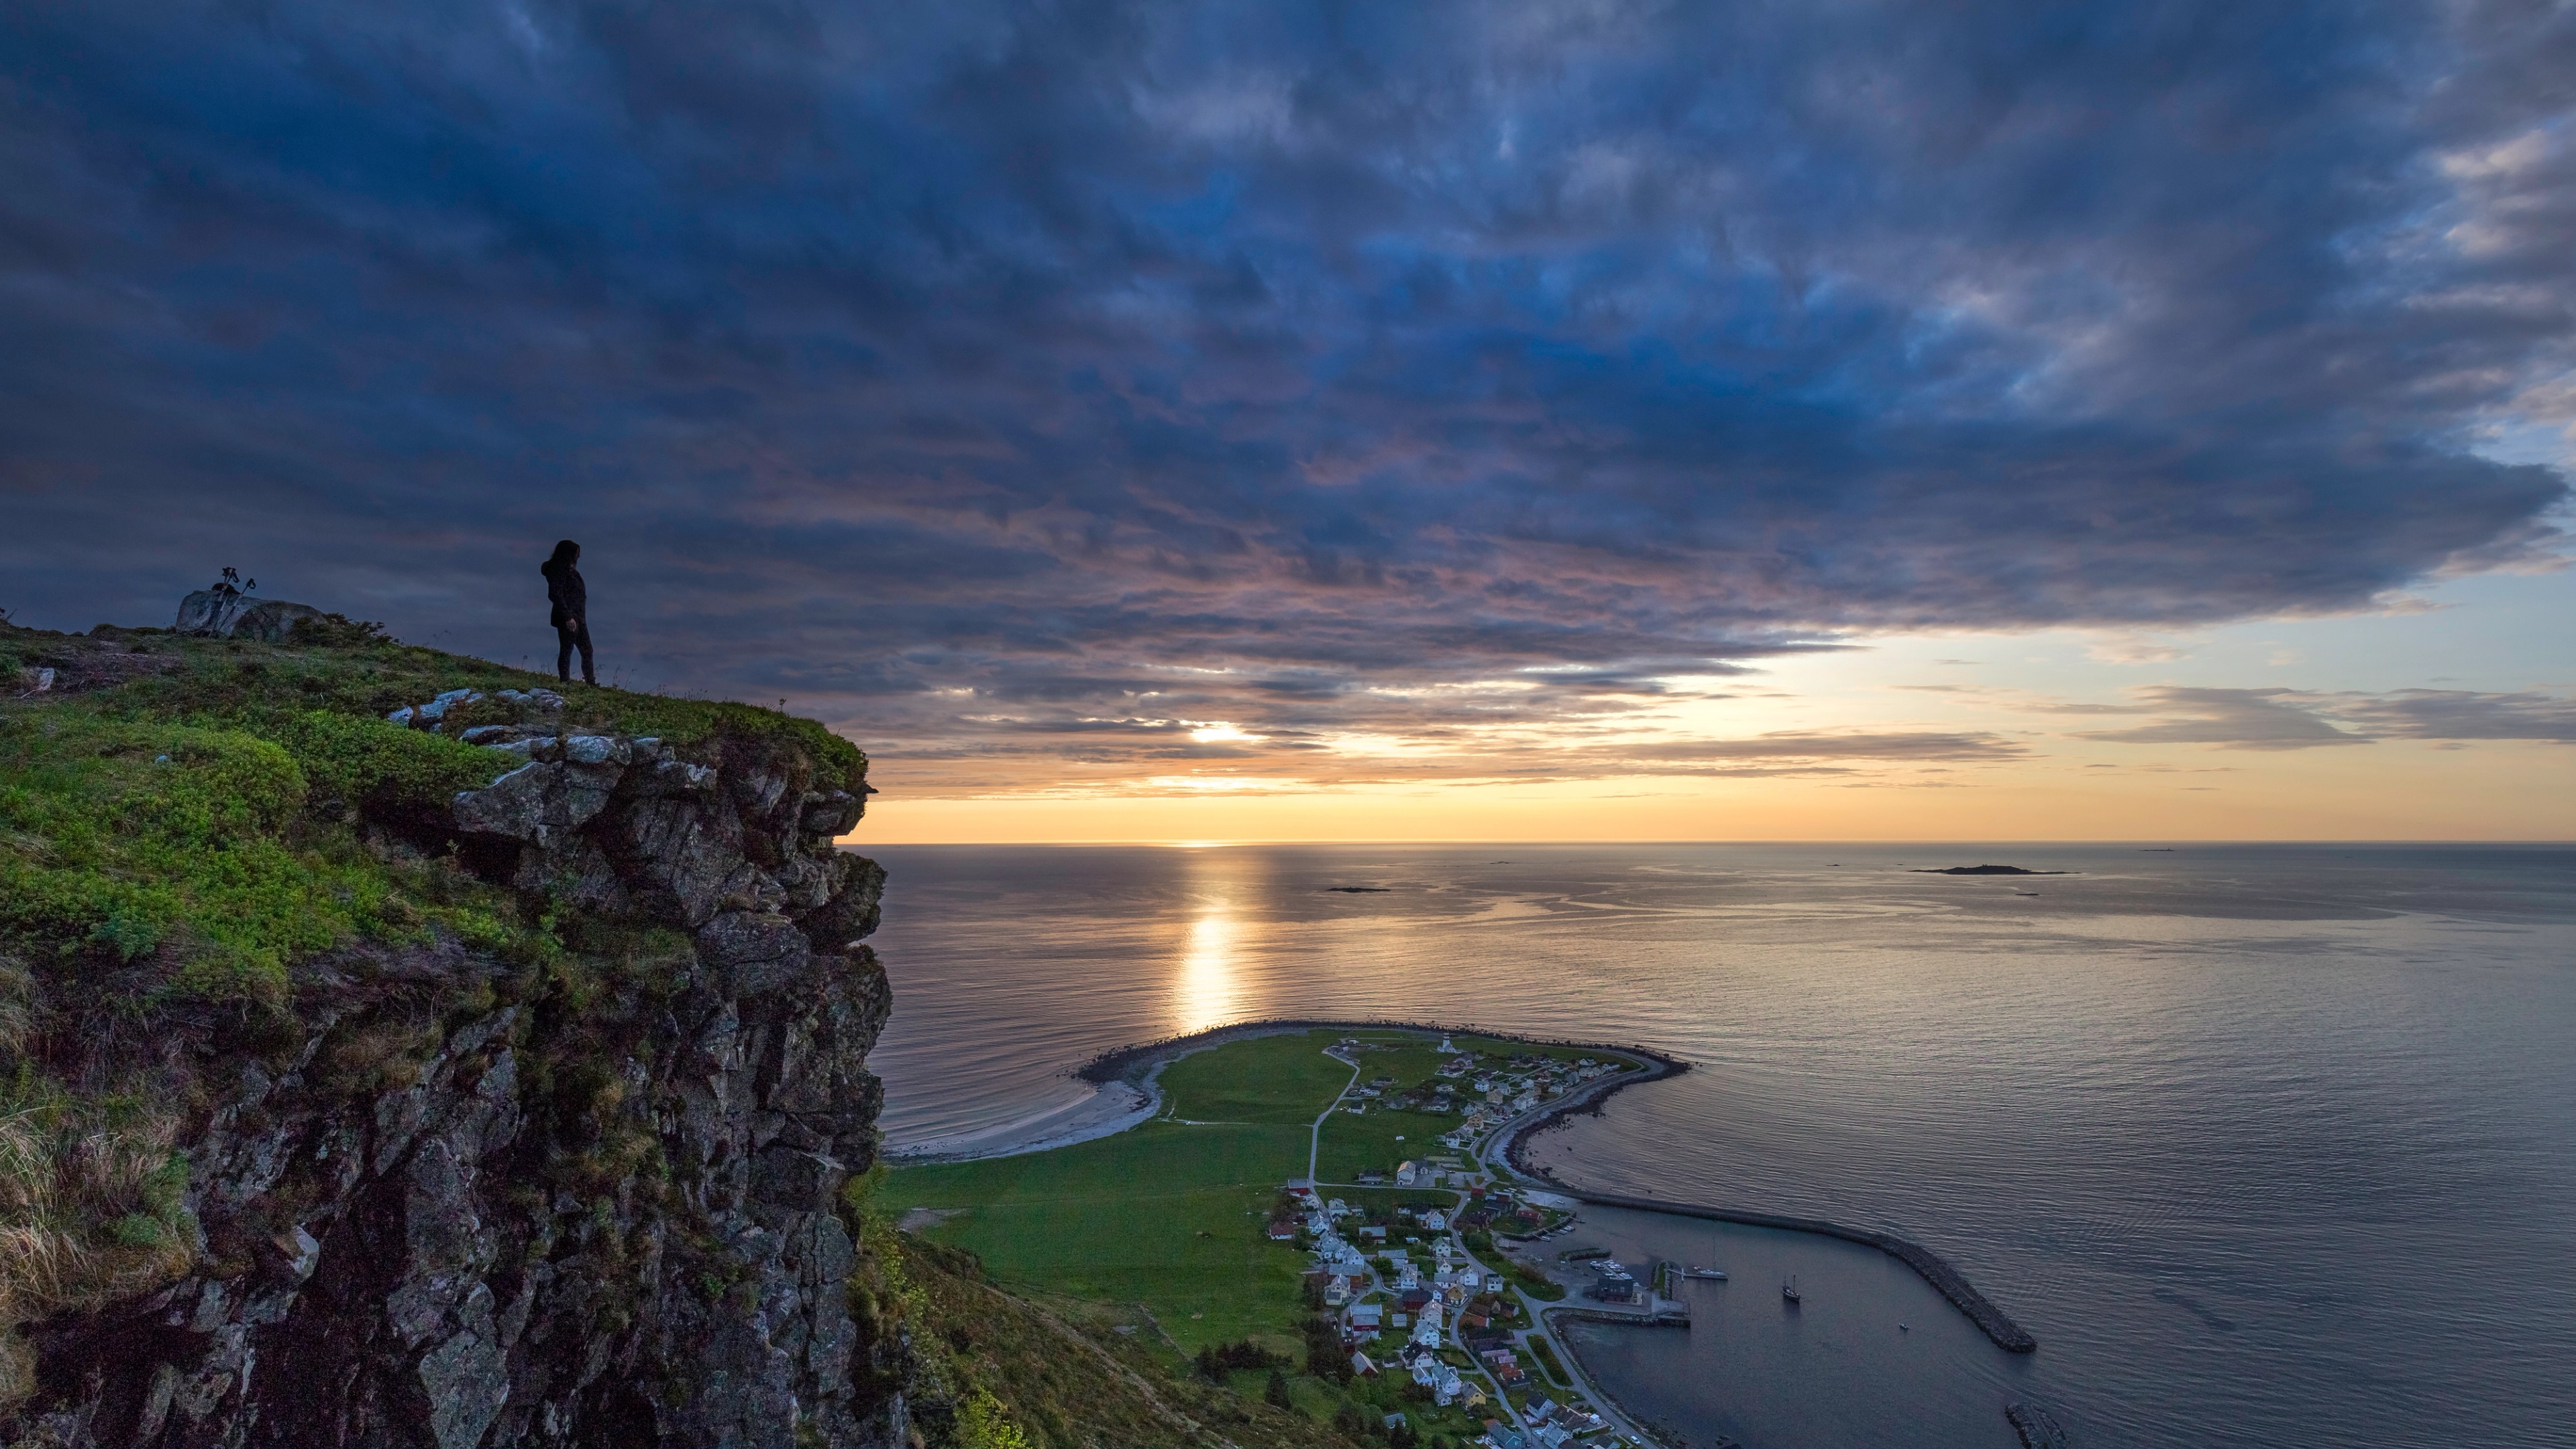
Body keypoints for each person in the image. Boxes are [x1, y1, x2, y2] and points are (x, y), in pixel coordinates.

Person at [540, 539, 594, 685]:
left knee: (587, 650)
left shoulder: (571, 571)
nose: (579, 557)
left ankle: (591, 682)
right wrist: (568, 616)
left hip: (579, 617)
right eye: (577, 554)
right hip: (568, 618)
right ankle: (565, 681)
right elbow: (555, 594)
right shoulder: (558, 570)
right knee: (567, 649)